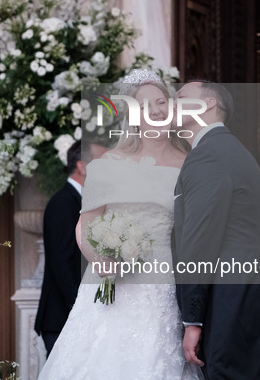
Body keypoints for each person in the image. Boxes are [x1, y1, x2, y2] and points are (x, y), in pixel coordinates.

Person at [37, 70, 197, 379]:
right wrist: (100, 259)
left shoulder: (190, 160)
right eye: (146, 105)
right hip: (115, 287)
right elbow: (85, 225)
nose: (157, 110)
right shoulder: (109, 163)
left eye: (162, 101)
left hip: (167, 285)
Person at [171, 80, 260, 379]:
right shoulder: (231, 150)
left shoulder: (208, 154)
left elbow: (199, 241)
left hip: (229, 301)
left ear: (208, 105)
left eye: (181, 97)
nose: (171, 104)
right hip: (249, 293)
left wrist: (192, 320)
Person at [34, 139, 105, 356]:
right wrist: (83, 311)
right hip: (63, 317)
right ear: (82, 166)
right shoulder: (63, 203)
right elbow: (62, 264)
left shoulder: (89, 203)